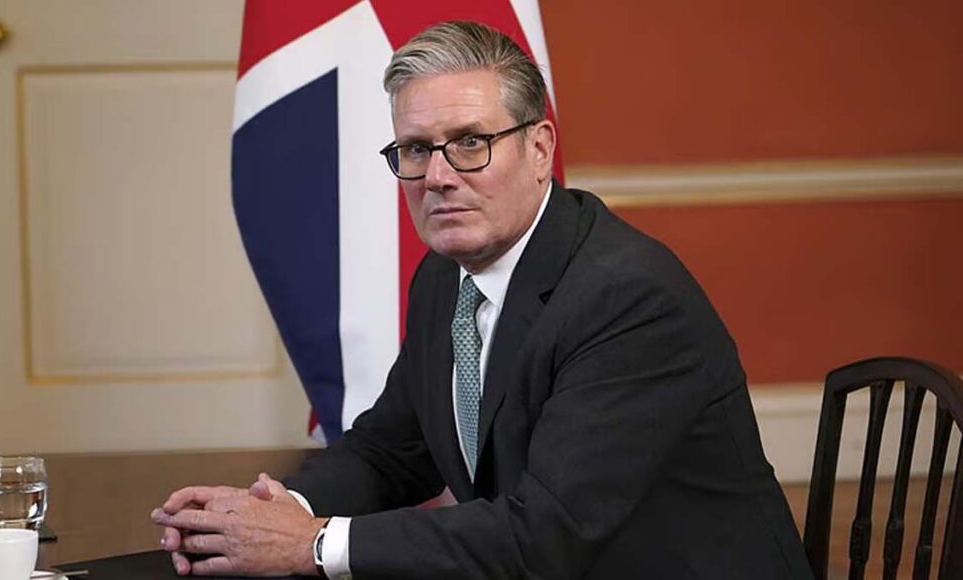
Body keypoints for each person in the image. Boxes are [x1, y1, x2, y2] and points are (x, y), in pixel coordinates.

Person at [152, 21, 812, 579]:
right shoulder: (446, 277)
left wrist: (315, 544)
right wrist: (273, 509)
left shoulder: (627, 298)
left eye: (470, 142)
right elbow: (393, 451)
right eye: (416, 149)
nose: (438, 176)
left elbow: (545, 536)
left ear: (539, 149)